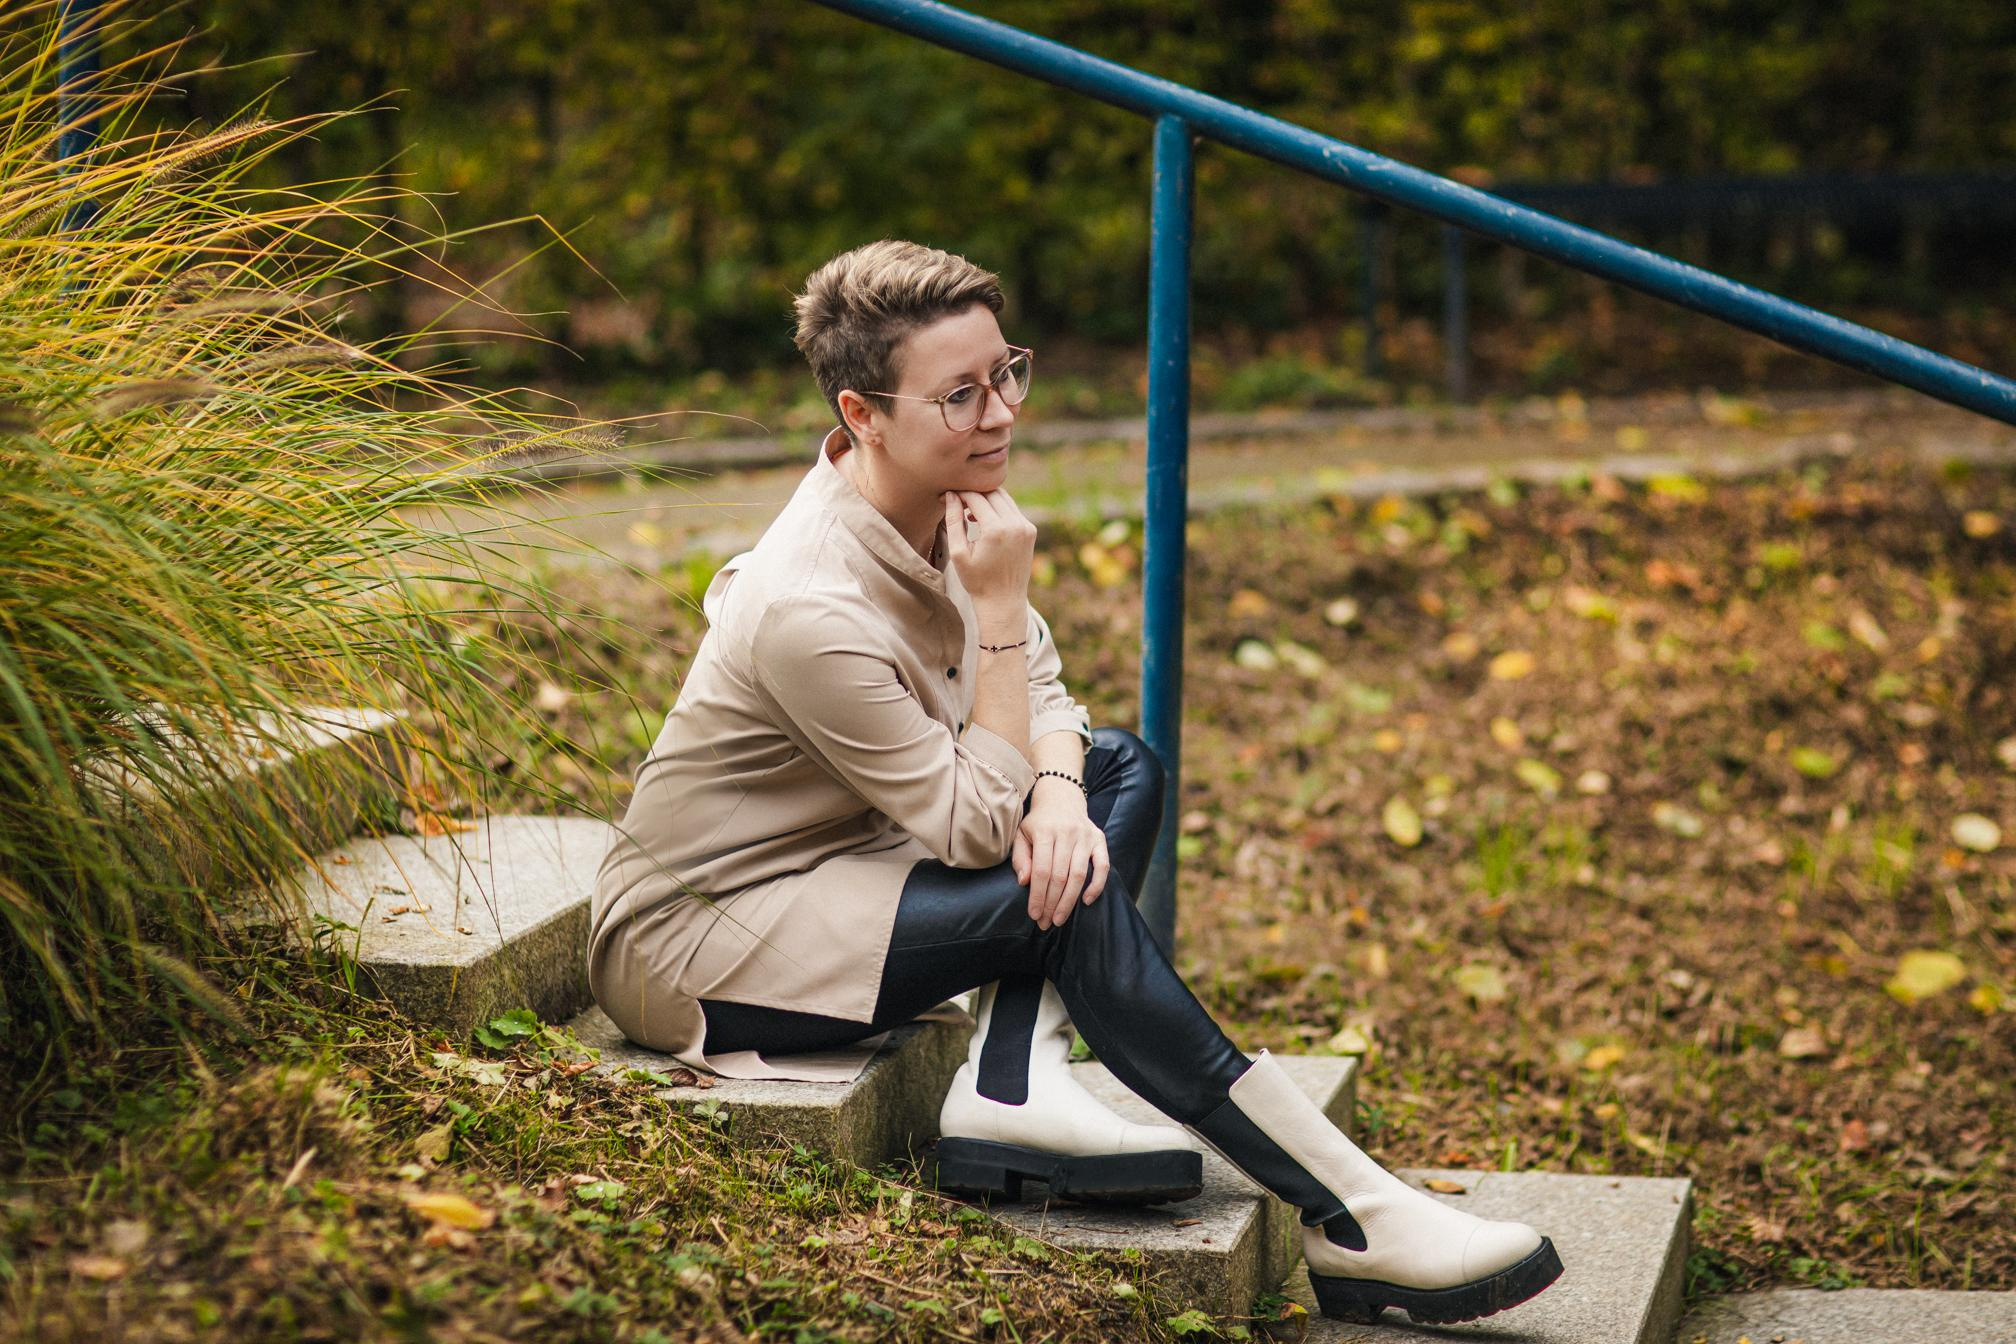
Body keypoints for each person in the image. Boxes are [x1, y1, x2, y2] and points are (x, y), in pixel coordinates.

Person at [588, 239, 1562, 1325]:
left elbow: (1046, 696)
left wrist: (1057, 791)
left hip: (852, 852)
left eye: (1006, 371)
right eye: (960, 395)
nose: (1002, 411)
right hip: (702, 934)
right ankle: (1358, 1213)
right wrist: (1001, 612)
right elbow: (973, 824)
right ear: (864, 415)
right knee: (1071, 898)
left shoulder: (938, 503)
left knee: (1117, 772)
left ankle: (1011, 1075)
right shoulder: (806, 607)